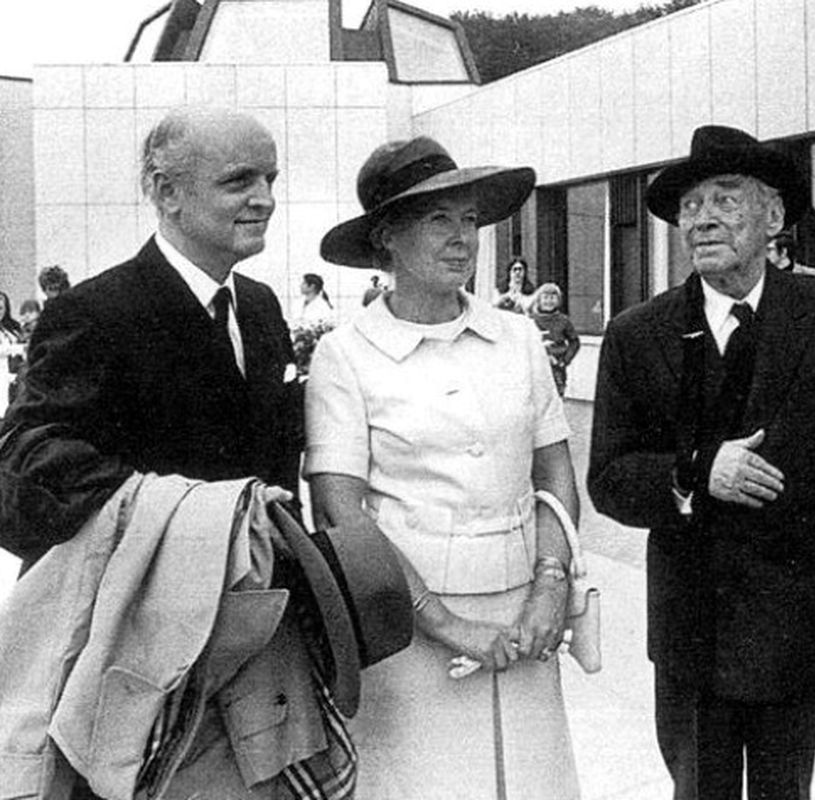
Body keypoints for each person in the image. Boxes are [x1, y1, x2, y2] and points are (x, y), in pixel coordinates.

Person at [0, 107, 320, 797]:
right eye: (239, 181)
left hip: (249, 654)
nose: (264, 198)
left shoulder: (260, 308)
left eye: (270, 178)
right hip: (134, 669)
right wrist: (189, 516)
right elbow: (23, 464)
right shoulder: (93, 313)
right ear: (167, 192)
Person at [588, 125, 815, 800]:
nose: (702, 219)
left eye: (725, 200)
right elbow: (610, 479)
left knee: (786, 790)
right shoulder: (636, 334)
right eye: (691, 205)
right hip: (690, 630)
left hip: (803, 619)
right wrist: (698, 472)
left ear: (774, 217)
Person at [306, 136, 581, 798]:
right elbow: (340, 511)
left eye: (470, 220)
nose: (462, 239)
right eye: (438, 220)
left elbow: (554, 471)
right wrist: (444, 622)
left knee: (528, 782)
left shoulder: (518, 337)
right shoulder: (346, 354)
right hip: (406, 622)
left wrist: (550, 587)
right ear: (386, 238)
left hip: (525, 614)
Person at [529, 281, 580, 397]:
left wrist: (565, 360)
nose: (549, 301)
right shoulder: (531, 320)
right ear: (539, 300)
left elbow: (574, 342)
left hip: (557, 366)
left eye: (553, 298)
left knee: (556, 397)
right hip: (536, 366)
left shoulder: (563, 320)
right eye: (546, 297)